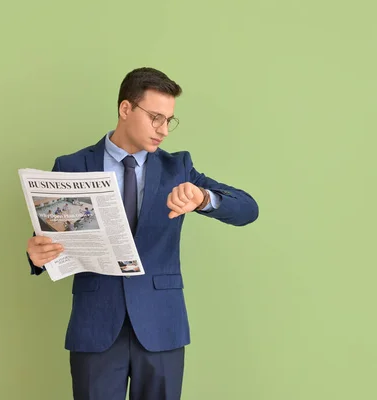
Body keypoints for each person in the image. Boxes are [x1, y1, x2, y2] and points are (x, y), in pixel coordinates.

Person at [26, 67, 259, 400]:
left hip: (161, 324)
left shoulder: (178, 168)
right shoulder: (71, 166)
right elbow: (53, 242)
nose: (163, 130)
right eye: (155, 118)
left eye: (169, 120)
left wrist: (203, 198)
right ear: (125, 109)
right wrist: (37, 256)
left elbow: (248, 209)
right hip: (96, 326)